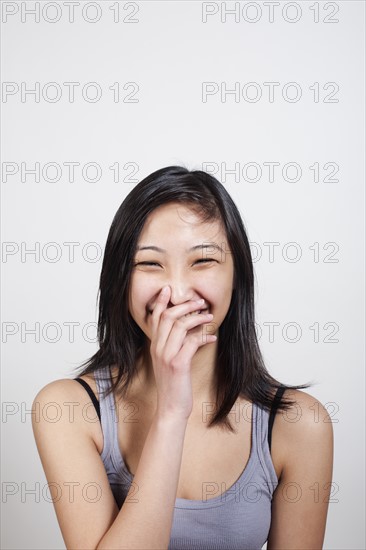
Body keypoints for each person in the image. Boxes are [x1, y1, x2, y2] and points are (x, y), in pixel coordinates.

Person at [32, 165, 333, 550]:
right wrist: (172, 411)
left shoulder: (299, 424)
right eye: (150, 264)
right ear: (120, 281)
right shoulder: (67, 409)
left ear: (237, 277)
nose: (175, 292)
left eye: (203, 260)